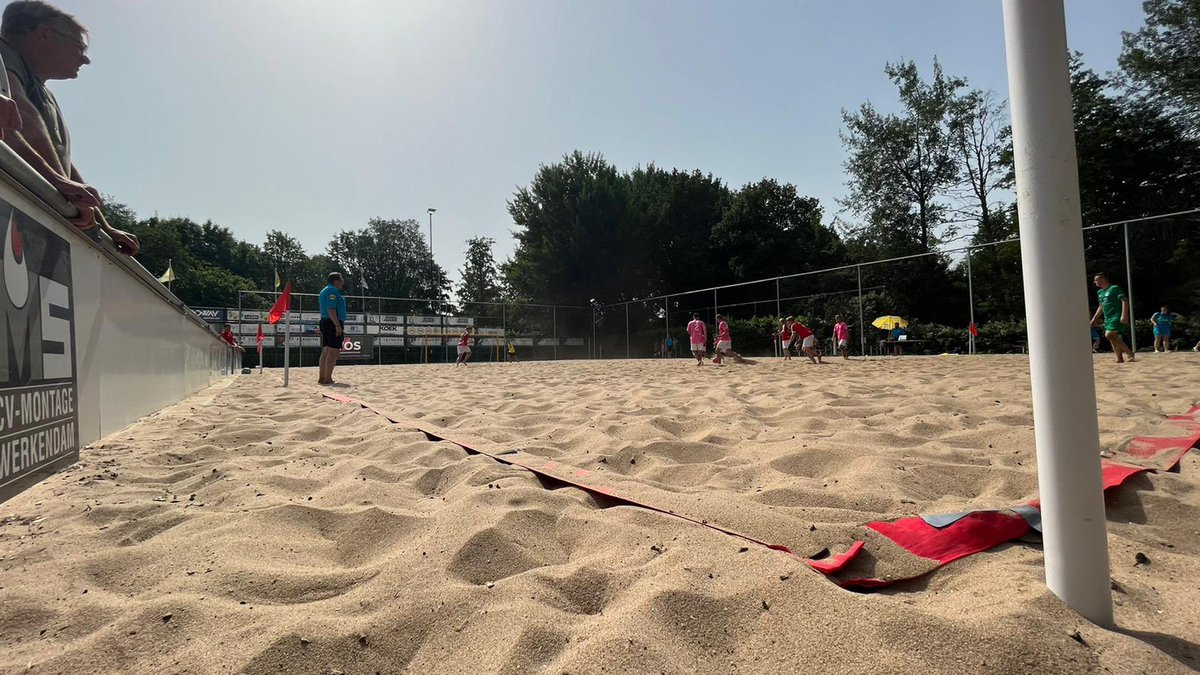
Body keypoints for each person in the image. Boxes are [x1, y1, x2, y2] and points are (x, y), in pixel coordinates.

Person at [0, 1, 139, 255]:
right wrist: (58, 183)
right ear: (44, 33)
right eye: (80, 46)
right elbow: (22, 124)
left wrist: (104, 225)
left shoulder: (43, 93)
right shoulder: (3, 54)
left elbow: (60, 160)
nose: (85, 59)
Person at [1091, 273, 1135, 363]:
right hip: (1107, 318)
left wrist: (1124, 315)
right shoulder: (1100, 292)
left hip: (1116, 316)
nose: (1095, 282)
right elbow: (1101, 306)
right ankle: (1119, 358)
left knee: (1109, 334)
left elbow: (1124, 300)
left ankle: (1129, 352)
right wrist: (1094, 318)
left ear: (1103, 279)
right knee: (1112, 337)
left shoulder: (1114, 288)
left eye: (1096, 280)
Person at [317, 272, 347, 385]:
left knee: (326, 350)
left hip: (325, 321)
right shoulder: (332, 291)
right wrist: (337, 325)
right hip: (332, 322)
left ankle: (322, 377)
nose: (342, 282)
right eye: (341, 279)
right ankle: (327, 378)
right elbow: (331, 309)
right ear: (336, 281)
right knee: (334, 351)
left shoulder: (324, 290)